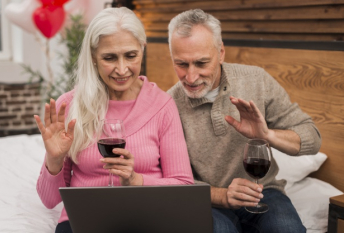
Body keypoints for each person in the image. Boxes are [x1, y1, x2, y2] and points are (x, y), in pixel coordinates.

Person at [34, 7, 194, 233]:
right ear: (94, 58)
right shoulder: (70, 105)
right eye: (109, 57)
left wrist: (136, 180)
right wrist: (54, 159)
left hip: (146, 216)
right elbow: (49, 201)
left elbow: (184, 185)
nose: (122, 69)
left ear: (142, 49)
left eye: (131, 56)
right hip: (84, 218)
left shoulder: (162, 106)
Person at [167, 9, 321, 233]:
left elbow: (313, 138)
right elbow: (172, 180)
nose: (190, 78)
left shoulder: (257, 80)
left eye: (201, 63)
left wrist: (268, 135)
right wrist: (222, 196)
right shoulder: (168, 103)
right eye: (181, 64)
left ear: (221, 53)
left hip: (263, 190)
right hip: (206, 198)